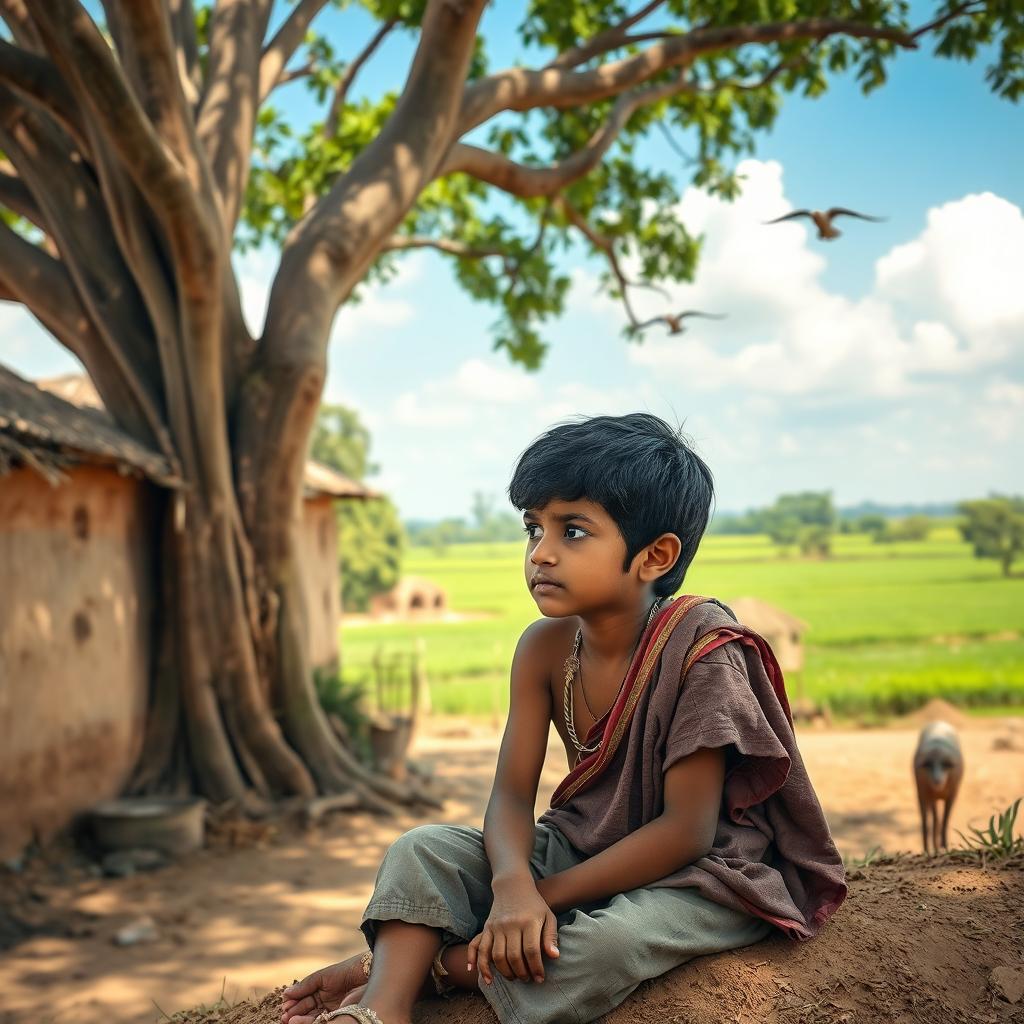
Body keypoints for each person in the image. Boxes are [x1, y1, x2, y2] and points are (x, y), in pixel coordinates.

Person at [280, 413, 846, 1024]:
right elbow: (511, 794)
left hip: (698, 875)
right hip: (583, 844)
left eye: (573, 531)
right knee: (423, 851)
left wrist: (535, 899)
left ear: (655, 555)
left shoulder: (702, 650)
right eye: (532, 529)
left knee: (606, 946)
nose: (541, 554)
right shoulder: (544, 648)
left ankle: (421, 970)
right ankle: (380, 1010)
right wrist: (510, 887)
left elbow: (686, 830)